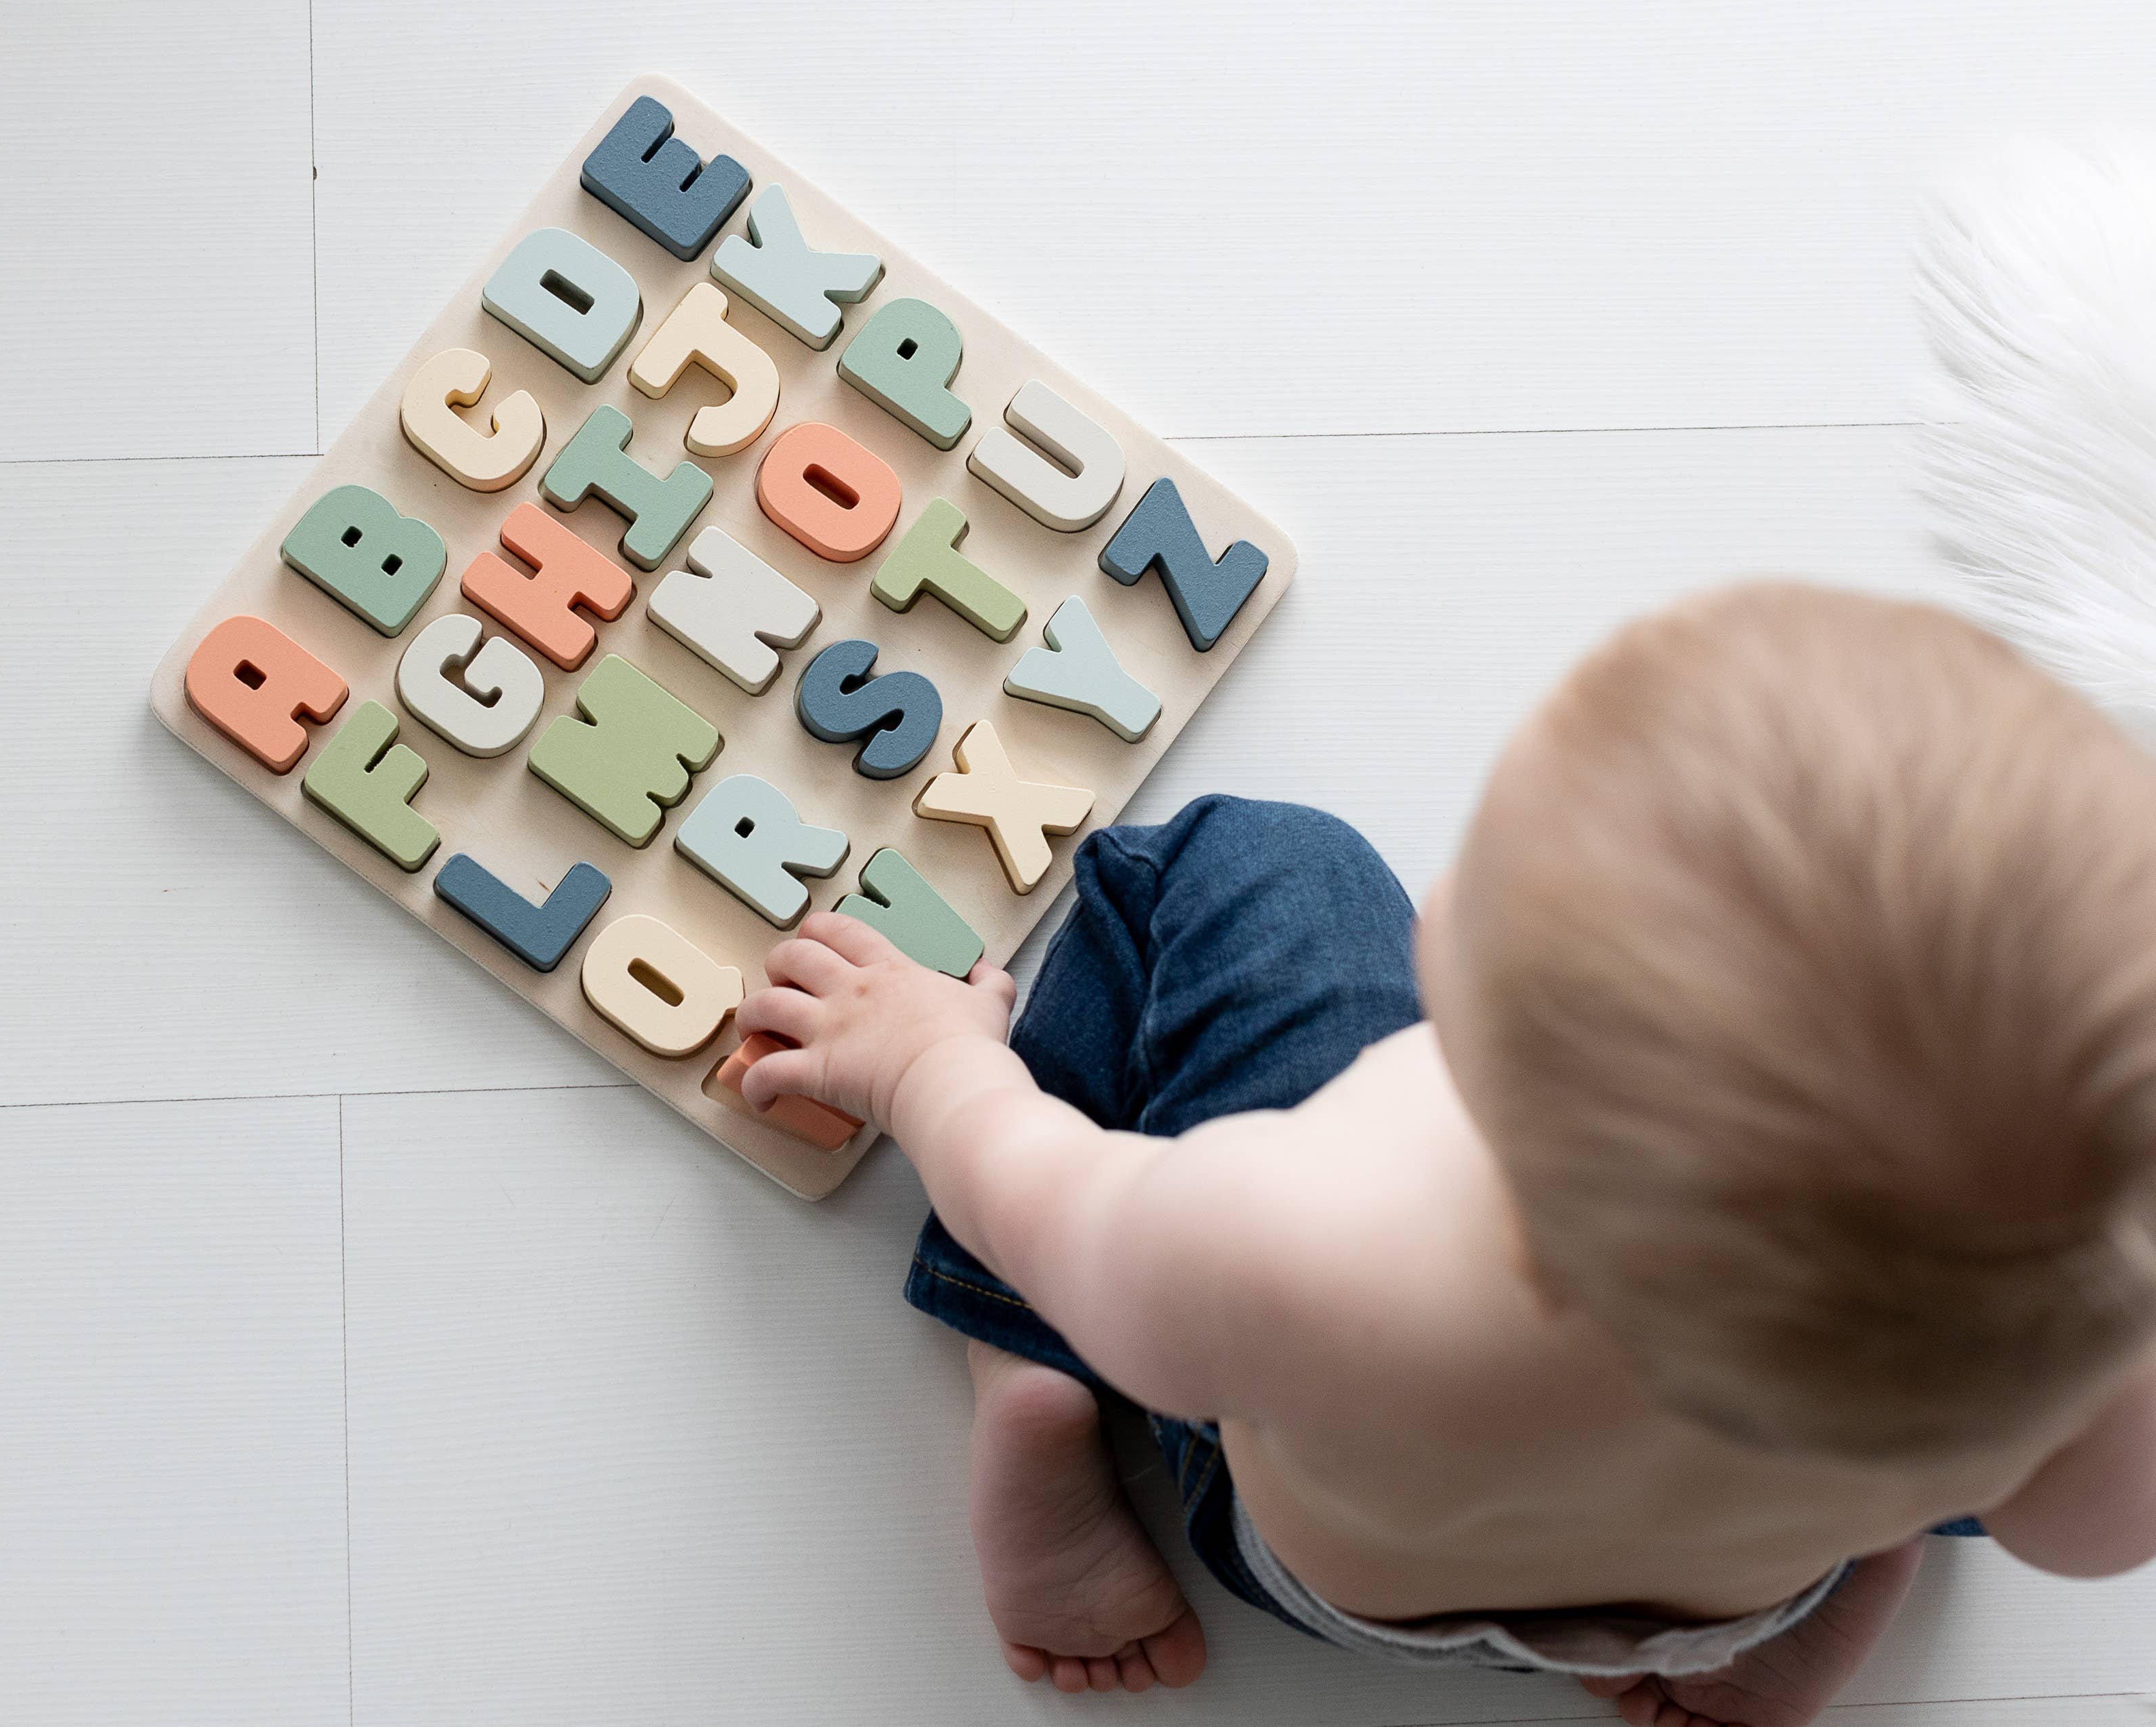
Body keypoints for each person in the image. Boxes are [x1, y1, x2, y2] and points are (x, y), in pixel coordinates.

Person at [733, 583, 2156, 1726]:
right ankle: (1851, 1582)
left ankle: (1034, 1379)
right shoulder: (2043, 1281)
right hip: (1750, 1574)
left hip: (1312, 1562)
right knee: (1954, 1424)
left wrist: (925, 1059)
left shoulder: (1309, 1239)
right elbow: (2099, 1531)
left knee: (1243, 861)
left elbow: (1034, 1186)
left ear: (1472, 1016)